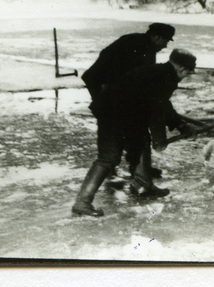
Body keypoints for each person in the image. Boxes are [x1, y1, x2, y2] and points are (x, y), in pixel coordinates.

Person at [72, 48, 197, 217]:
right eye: (188, 74)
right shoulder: (166, 77)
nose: (185, 77)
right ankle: (82, 203)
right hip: (115, 113)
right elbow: (157, 110)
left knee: (141, 141)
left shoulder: (160, 71)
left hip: (120, 111)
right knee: (109, 157)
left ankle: (144, 185)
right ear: (182, 69)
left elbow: (162, 104)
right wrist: (160, 139)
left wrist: (180, 125)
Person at [81, 22, 176, 114]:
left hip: (107, 85)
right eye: (166, 41)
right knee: (109, 116)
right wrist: (106, 84)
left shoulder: (147, 46)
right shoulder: (135, 42)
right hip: (99, 82)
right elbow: (109, 59)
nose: (165, 46)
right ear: (157, 37)